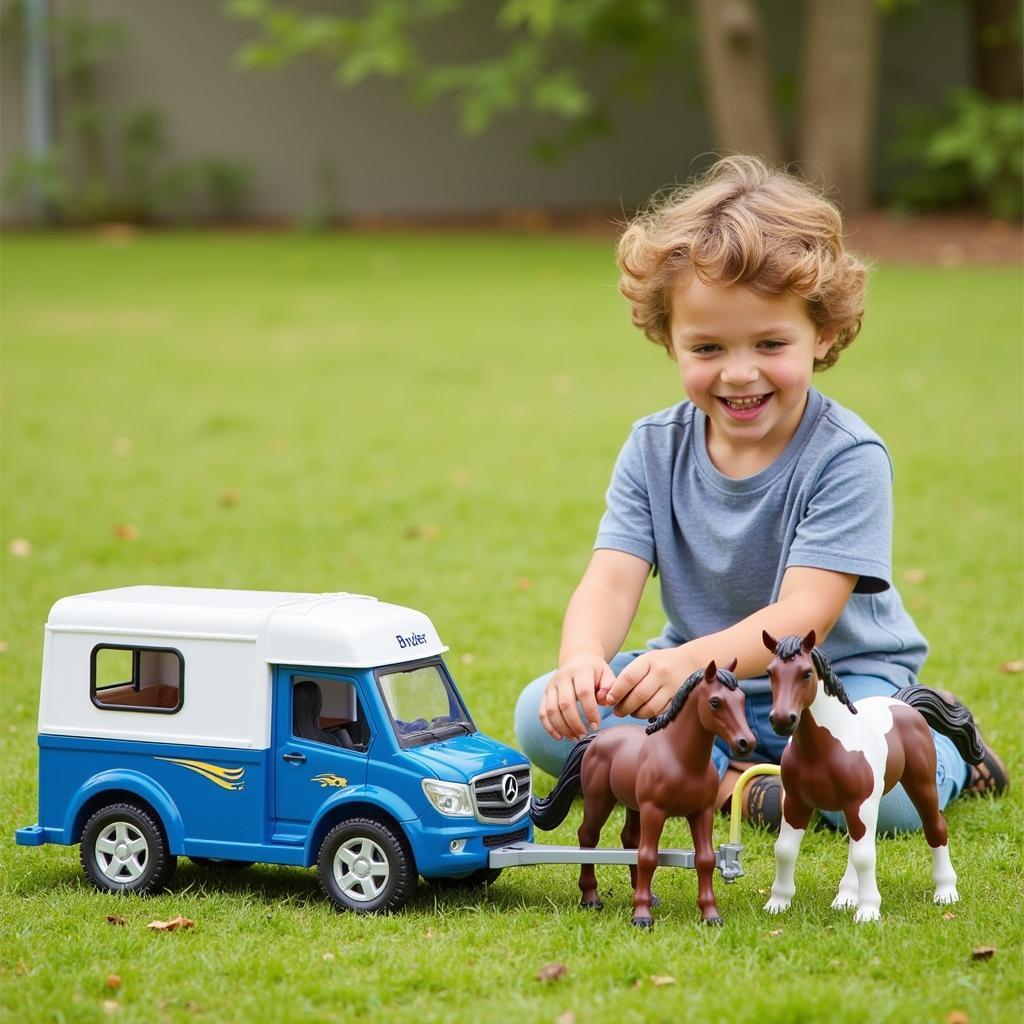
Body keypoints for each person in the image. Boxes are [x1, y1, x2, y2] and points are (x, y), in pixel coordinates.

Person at [514, 155, 1008, 832]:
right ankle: (731, 787)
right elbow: (609, 581)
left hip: (834, 685)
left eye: (771, 342)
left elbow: (806, 615)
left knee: (886, 807)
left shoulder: (846, 455)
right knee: (541, 716)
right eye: (708, 347)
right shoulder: (653, 447)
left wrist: (687, 665)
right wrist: (582, 661)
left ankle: (945, 741)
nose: (739, 374)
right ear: (669, 340)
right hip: (706, 693)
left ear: (823, 333)